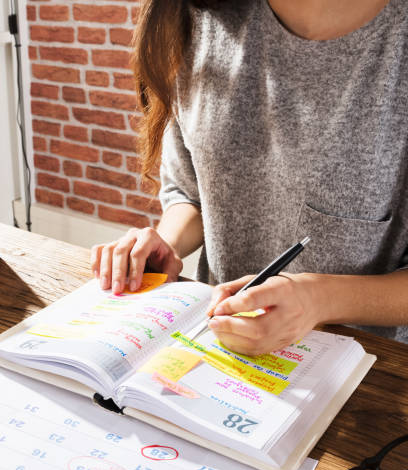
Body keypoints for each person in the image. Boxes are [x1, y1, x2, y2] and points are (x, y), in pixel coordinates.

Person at [91, 0, 408, 355]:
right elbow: (191, 193)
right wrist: (167, 243)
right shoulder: (198, 17)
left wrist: (320, 299)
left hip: (368, 372)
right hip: (216, 347)